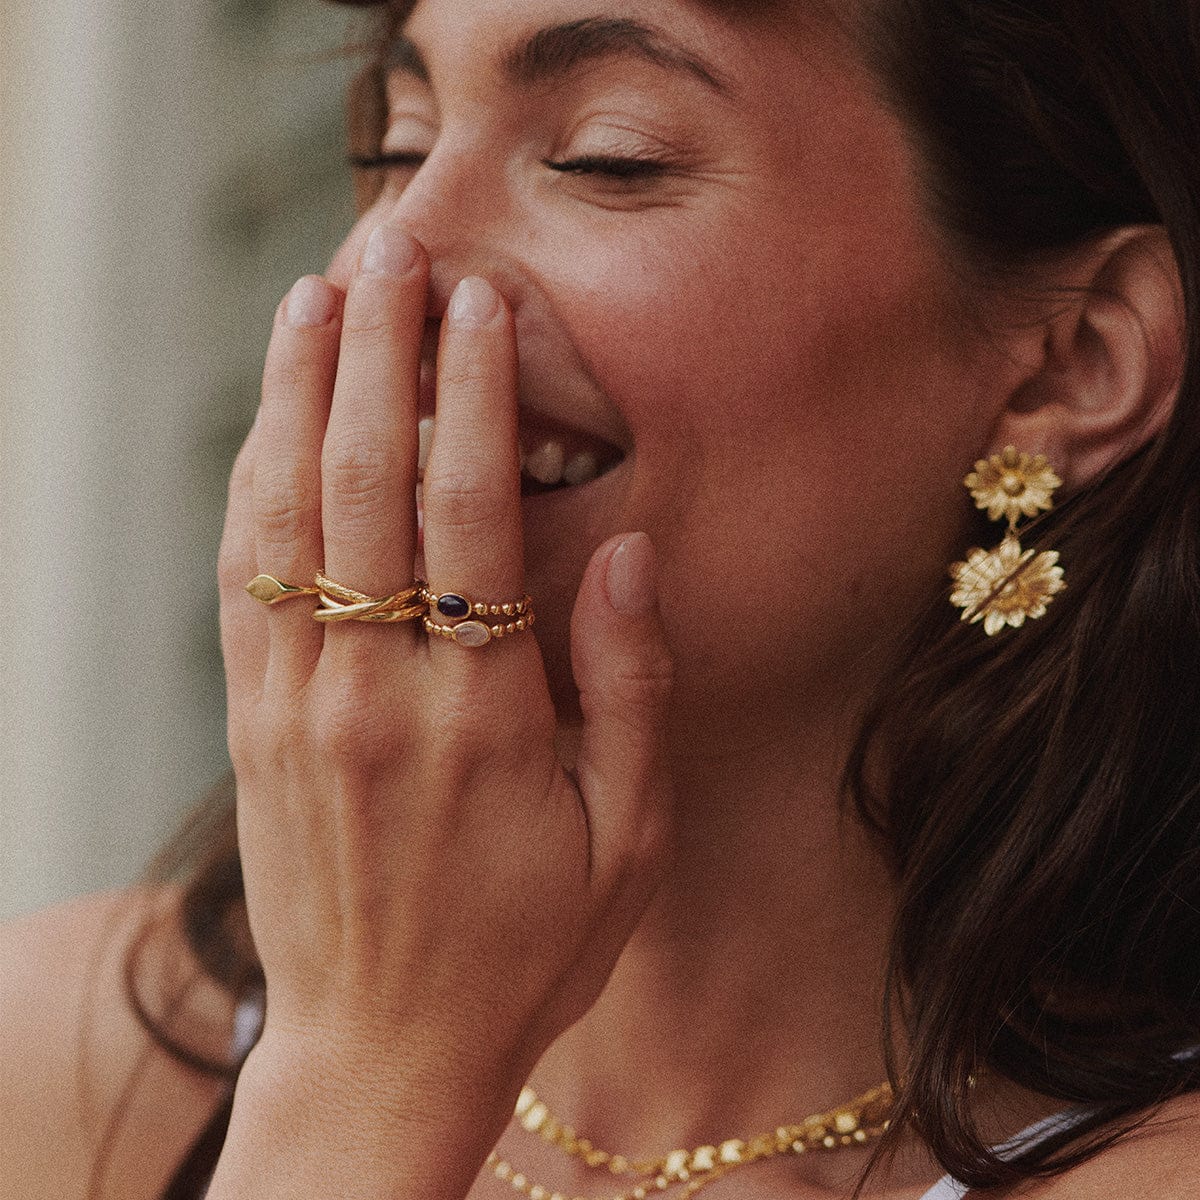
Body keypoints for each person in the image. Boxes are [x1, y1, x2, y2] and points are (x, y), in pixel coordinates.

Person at [2, 0, 1198, 1197]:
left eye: (607, 160)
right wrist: (352, 1069)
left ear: (1075, 359)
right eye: (397, 148)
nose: (385, 262)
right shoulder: (67, 1068)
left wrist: (370, 1084)